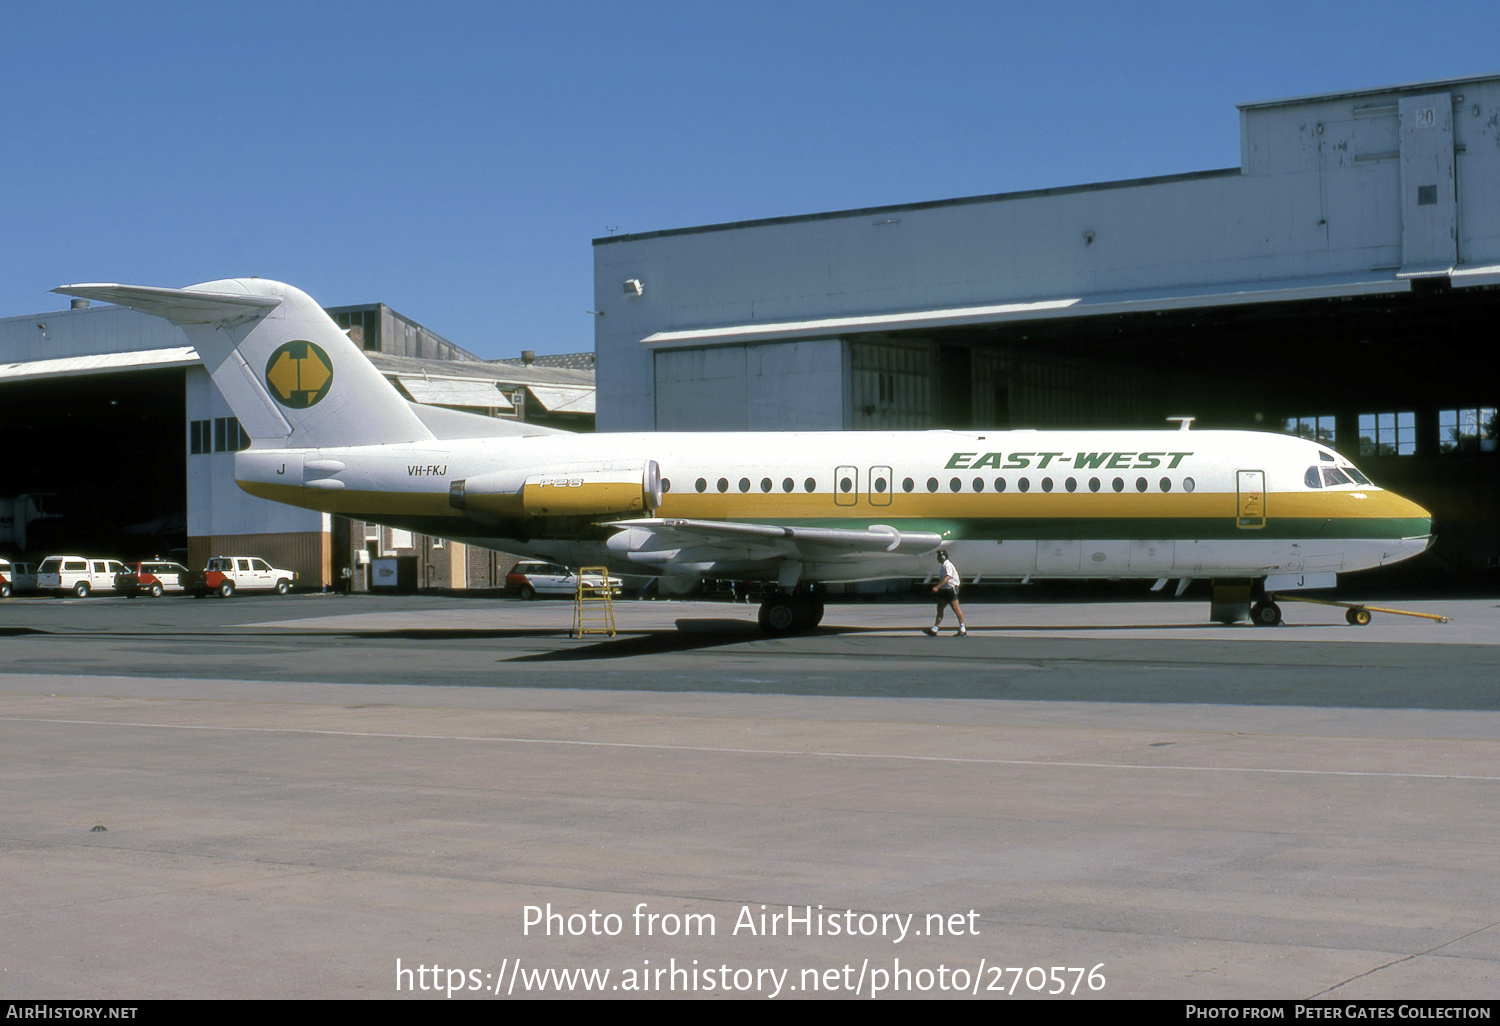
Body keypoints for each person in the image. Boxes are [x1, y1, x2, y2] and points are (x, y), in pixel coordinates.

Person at [926, 549, 967, 636]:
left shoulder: (947, 565)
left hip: (950, 590)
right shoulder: (944, 565)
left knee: (956, 608)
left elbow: (948, 577)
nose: (937, 558)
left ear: (942, 557)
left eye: (938, 557)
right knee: (940, 608)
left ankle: (962, 628)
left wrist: (937, 587)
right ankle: (935, 628)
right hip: (945, 590)